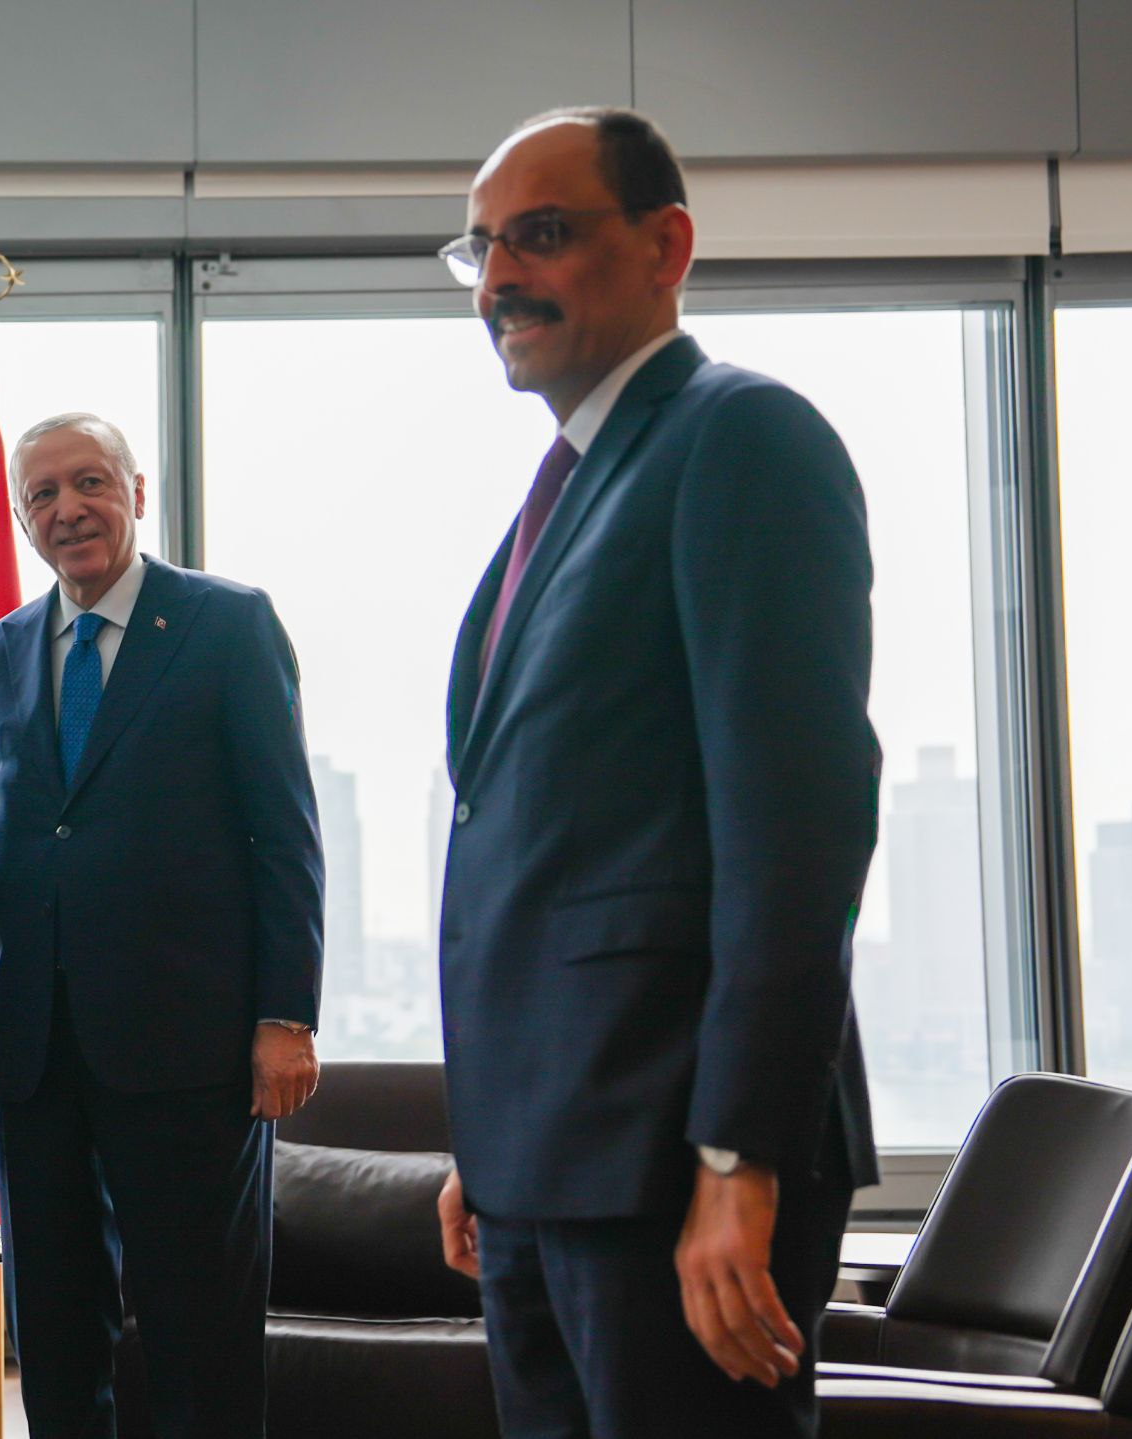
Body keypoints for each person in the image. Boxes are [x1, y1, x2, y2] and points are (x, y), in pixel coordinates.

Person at [430, 107, 883, 1438]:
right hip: (548, 1162)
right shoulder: (571, 486)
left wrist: (739, 1155)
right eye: (483, 248)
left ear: (666, 243)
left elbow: (794, 826)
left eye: (546, 236)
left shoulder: (739, 440)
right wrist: (494, 1144)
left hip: (676, 1161)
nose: (503, 276)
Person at [0, 412, 323, 1439]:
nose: (67, 508)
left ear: (136, 491)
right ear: (25, 517)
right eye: (41, 493)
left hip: (192, 1050)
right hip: (39, 1054)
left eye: (89, 482)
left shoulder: (226, 624)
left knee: (196, 1333)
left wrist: (284, 1015)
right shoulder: (4, 647)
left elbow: (282, 835)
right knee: (58, 1333)